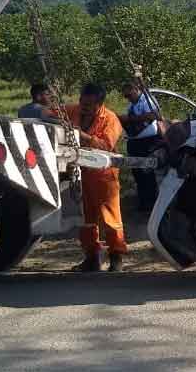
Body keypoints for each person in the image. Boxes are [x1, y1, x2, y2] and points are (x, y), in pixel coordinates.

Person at [65, 82, 126, 273]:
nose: (84, 107)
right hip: (80, 172)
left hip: (103, 175)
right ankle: (91, 258)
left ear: (100, 104)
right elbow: (50, 114)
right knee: (85, 218)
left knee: (110, 217)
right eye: (82, 101)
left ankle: (116, 258)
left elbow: (106, 145)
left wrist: (81, 135)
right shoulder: (73, 110)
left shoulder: (110, 119)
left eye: (89, 104)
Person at [119, 81, 162, 213]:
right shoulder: (132, 105)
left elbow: (154, 115)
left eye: (129, 95)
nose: (128, 98)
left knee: (147, 172)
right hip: (135, 141)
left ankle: (151, 203)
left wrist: (131, 119)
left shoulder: (147, 100)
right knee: (137, 173)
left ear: (136, 89)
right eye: (126, 96)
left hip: (148, 142)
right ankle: (143, 202)